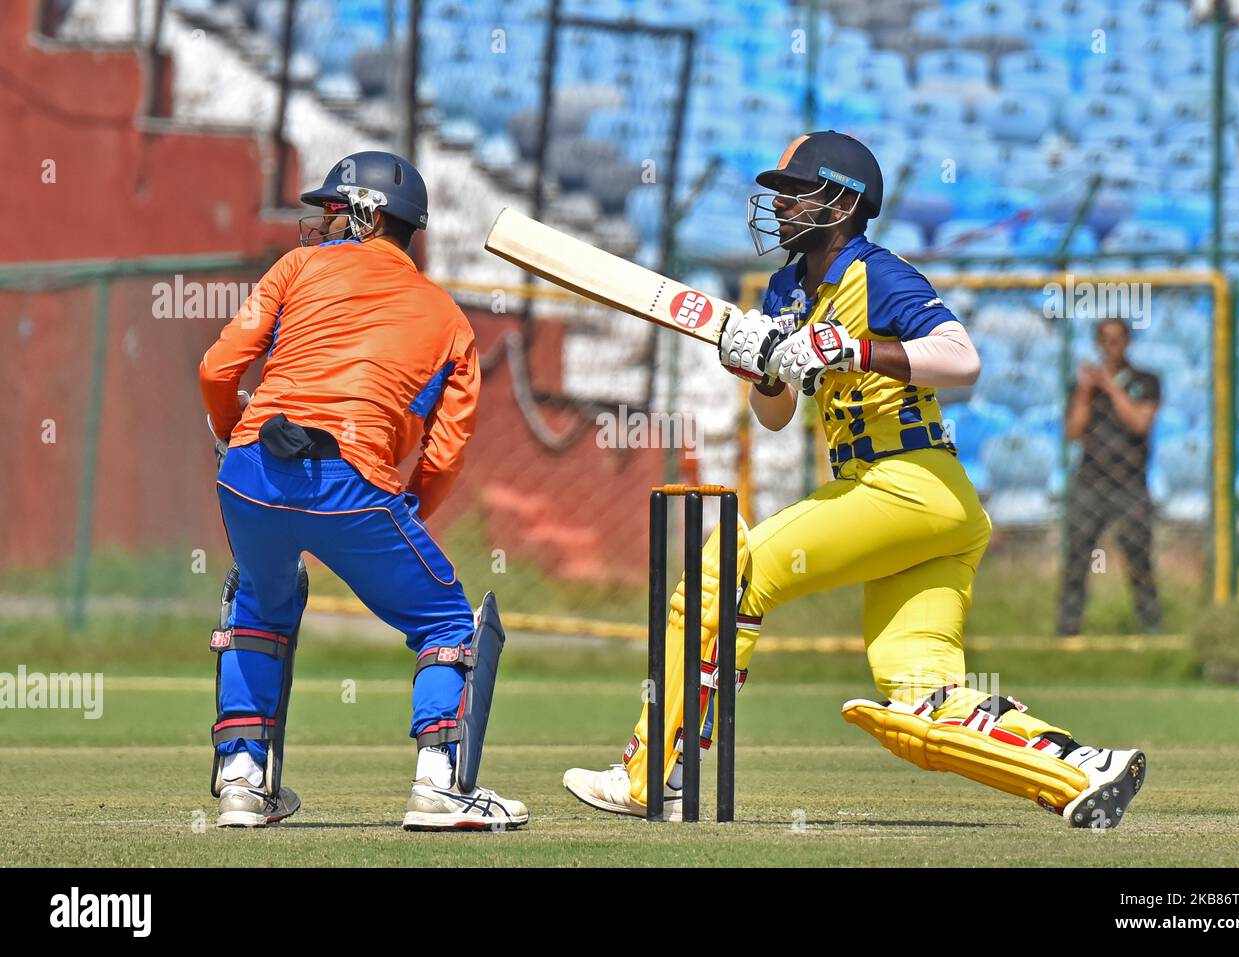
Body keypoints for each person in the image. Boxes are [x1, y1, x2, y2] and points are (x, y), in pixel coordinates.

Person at [563, 131, 1146, 828]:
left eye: (793, 193)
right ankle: (1081, 767)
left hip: (910, 482)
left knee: (731, 567)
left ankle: (657, 772)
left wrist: (853, 346)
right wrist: (760, 364)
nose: (777, 207)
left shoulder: (882, 274)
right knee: (920, 700)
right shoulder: (786, 288)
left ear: (840, 202)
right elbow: (774, 415)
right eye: (776, 193)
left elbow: (962, 360)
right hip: (924, 515)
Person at [199, 151, 526, 830]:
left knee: (260, 602)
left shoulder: (295, 268)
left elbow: (217, 365)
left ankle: (240, 779)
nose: (322, 225)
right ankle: (437, 785)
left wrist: (237, 435)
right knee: (443, 620)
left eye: (333, 212)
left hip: (251, 473)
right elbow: (444, 454)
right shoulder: (450, 320)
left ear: (369, 215)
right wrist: (399, 524)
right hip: (356, 485)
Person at [1057, 317, 1163, 636]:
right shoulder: (1082, 385)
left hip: (1130, 482)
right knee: (1077, 556)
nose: (1111, 345)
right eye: (1105, 339)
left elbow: (1140, 423)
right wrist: (1087, 393)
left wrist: (1110, 386)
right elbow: (1073, 432)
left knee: (1139, 558)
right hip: (1090, 481)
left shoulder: (1145, 381)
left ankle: (1152, 630)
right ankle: (1068, 631)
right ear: (1097, 343)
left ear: (1127, 342)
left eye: (1117, 339)